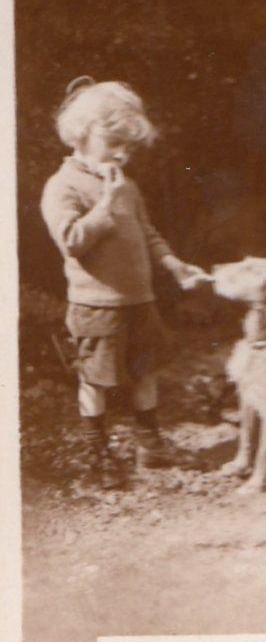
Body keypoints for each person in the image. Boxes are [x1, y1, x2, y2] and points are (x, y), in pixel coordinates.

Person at [41, 76, 208, 489]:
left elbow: (146, 232)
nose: (122, 154)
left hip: (140, 299)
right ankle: (96, 454)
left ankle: (149, 444)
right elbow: (72, 241)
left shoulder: (126, 186)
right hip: (96, 305)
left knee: (146, 370)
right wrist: (106, 204)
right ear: (79, 134)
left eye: (130, 147)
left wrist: (174, 265)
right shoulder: (63, 186)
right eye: (114, 142)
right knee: (95, 378)